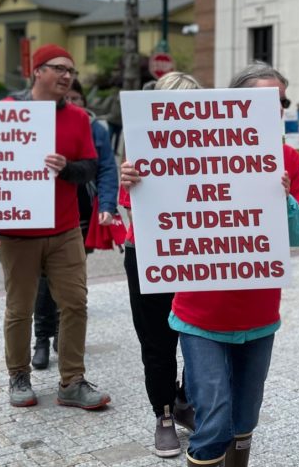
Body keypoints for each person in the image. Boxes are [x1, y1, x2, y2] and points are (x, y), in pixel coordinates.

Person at [121, 61, 299, 467]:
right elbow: (155, 220)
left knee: (245, 419)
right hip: (200, 314)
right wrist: (136, 183)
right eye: (265, 100)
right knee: (212, 423)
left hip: (260, 314)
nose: (276, 108)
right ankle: (175, 422)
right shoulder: (185, 152)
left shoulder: (287, 160)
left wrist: (284, 201)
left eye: (281, 101)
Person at [0, 43, 111, 410]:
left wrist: (66, 168)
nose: (67, 76)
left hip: (65, 230)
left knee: (75, 304)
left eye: (72, 71)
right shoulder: (7, 112)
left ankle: (72, 381)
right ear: (38, 71)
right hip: (18, 232)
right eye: (59, 68)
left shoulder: (79, 119)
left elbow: (91, 169)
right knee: (19, 308)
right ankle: (18, 376)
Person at [119, 72, 201, 458]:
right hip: (148, 251)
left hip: (199, 251)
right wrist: (127, 179)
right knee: (157, 339)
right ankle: (164, 414)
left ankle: (185, 399)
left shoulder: (212, 146)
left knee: (201, 335)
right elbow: (126, 198)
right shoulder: (140, 145)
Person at [31, 78, 120, 371]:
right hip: (44, 215)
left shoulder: (95, 127)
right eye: (65, 97)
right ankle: (42, 337)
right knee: (45, 278)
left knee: (71, 281)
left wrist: (108, 205)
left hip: (81, 215)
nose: (71, 103)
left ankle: (60, 333)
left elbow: (107, 167)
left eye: (76, 98)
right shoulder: (39, 122)